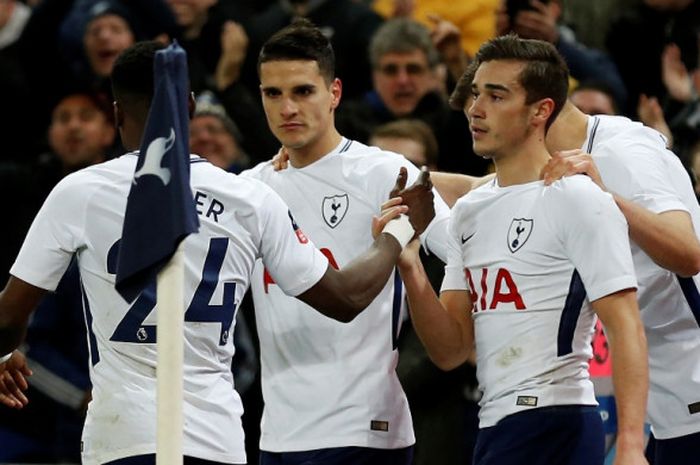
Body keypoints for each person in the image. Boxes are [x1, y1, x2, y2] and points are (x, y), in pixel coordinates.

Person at [0, 40, 435, 465]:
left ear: (116, 113)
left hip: (122, 436)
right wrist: (397, 230)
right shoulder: (250, 196)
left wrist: (5, 352)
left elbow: (8, 319)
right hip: (216, 438)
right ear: (188, 107)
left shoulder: (79, 192)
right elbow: (345, 299)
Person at [436, 35, 700, 465]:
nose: (477, 112)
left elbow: (689, 253)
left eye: (496, 97)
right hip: (667, 399)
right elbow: (473, 189)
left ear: (539, 110)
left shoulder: (623, 150)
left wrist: (606, 197)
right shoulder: (555, 168)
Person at [240, 19, 451, 465]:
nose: (287, 108)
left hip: (365, 428)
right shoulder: (252, 188)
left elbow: (463, 252)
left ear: (334, 93)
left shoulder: (383, 173)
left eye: (302, 91)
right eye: (272, 94)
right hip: (278, 434)